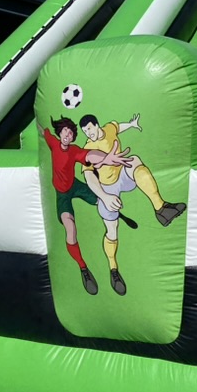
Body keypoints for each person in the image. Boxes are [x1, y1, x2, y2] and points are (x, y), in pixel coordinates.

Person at [79, 112, 186, 296]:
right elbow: (89, 177)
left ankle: (161, 209)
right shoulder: (88, 149)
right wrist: (104, 196)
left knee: (134, 160)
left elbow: (117, 127)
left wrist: (131, 124)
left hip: (123, 176)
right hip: (106, 189)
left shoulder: (108, 128)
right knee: (112, 230)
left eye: (89, 129)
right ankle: (113, 270)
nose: (88, 134)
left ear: (96, 125)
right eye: (85, 132)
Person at [43, 116, 131, 295]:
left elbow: (89, 155)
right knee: (70, 228)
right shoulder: (52, 142)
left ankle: (115, 214)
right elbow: (43, 131)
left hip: (74, 185)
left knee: (101, 198)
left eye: (70, 133)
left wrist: (106, 158)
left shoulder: (74, 150)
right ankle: (83, 268)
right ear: (59, 132)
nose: (67, 135)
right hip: (62, 194)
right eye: (65, 131)